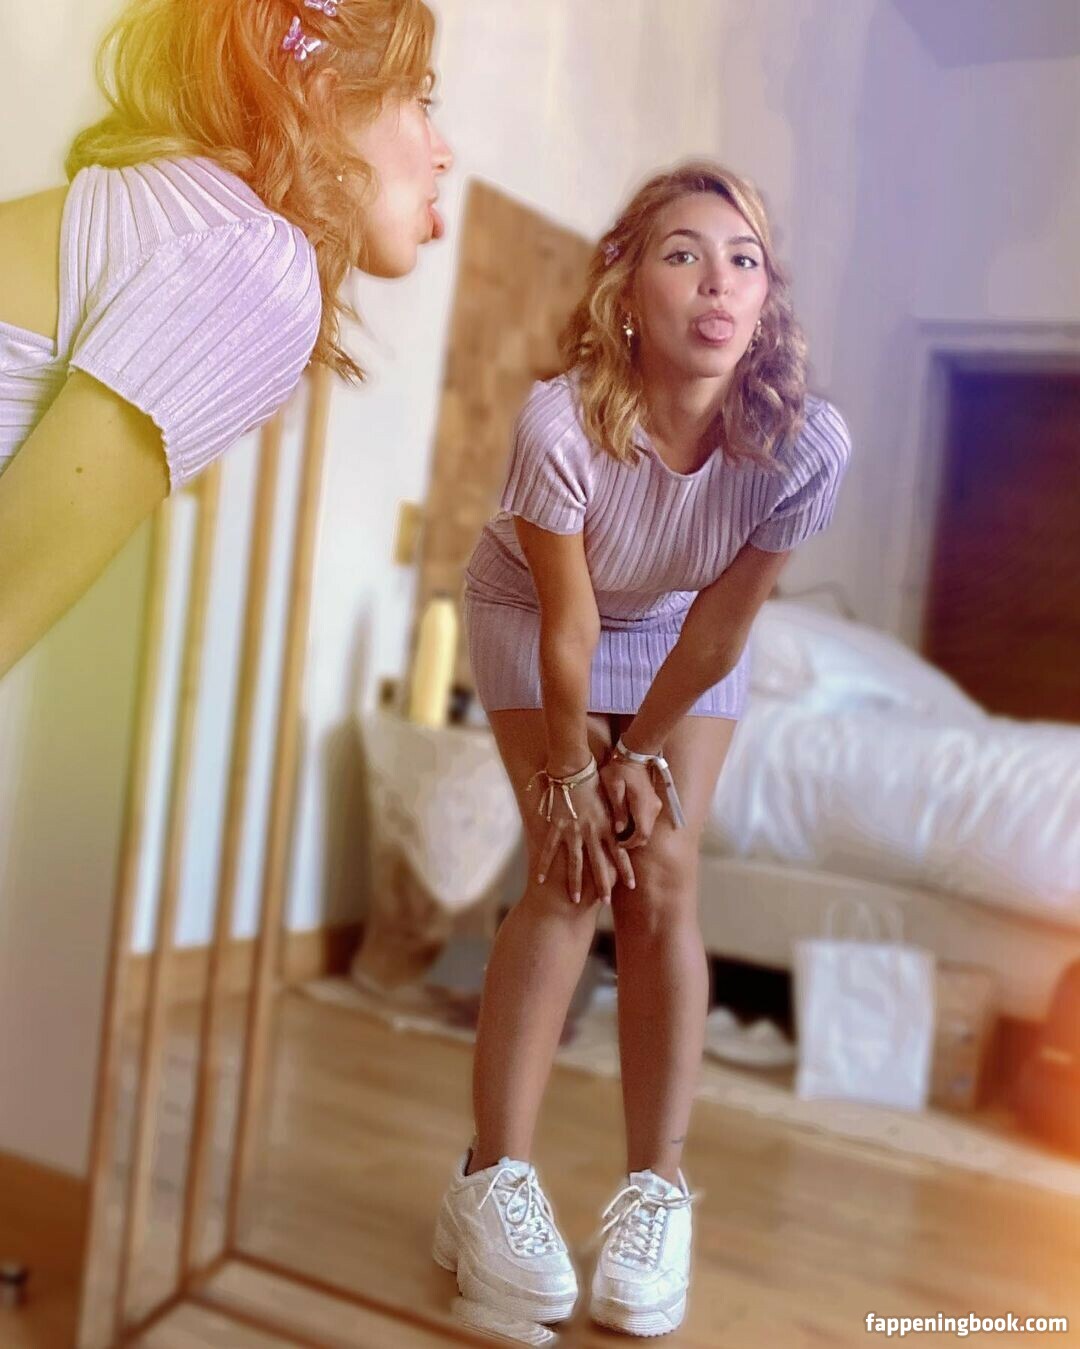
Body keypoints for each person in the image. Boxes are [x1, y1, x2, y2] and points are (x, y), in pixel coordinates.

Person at [434, 160, 852, 1336]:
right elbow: (568, 629)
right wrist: (575, 772)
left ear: (765, 299)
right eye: (684, 254)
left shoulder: (805, 445)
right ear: (625, 288)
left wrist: (642, 752)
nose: (718, 281)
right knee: (572, 870)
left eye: (743, 260)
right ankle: (488, 1182)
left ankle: (656, 1190)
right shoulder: (560, 421)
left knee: (662, 873)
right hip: (534, 613)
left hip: (677, 634)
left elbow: (720, 629)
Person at [0, 0, 452, 682]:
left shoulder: (191, 215)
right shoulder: (255, 265)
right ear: (325, 100)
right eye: (422, 99)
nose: (445, 154)